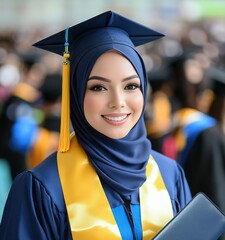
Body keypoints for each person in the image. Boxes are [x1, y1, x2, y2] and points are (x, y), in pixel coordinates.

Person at [0, 11, 191, 239]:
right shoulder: (42, 189)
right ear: (75, 93)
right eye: (98, 88)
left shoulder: (169, 175)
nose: (118, 103)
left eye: (131, 86)